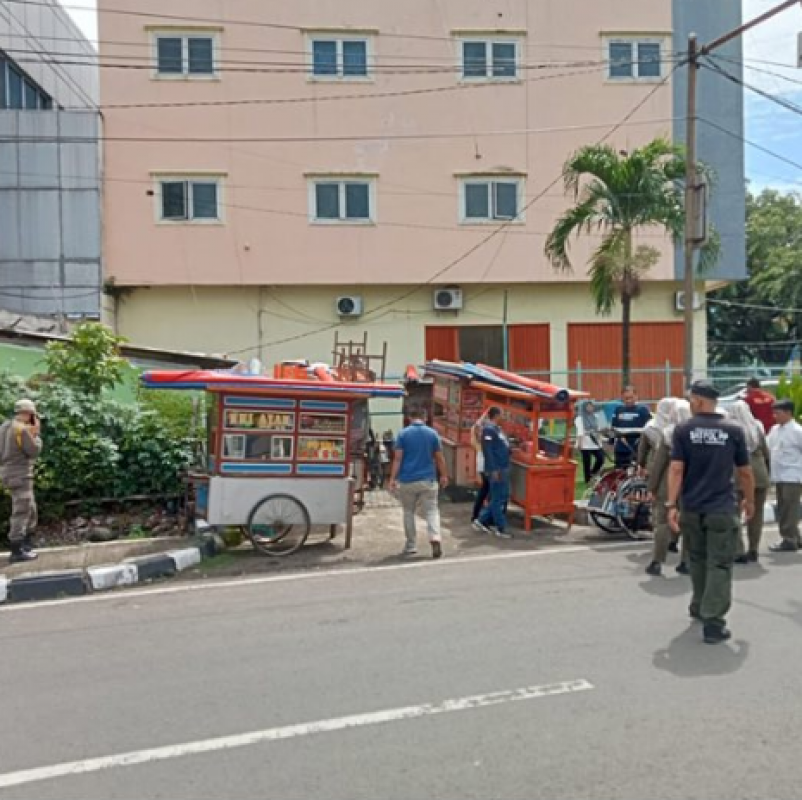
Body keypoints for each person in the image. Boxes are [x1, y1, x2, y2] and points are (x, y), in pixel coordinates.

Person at [667, 380, 754, 645]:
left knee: (698, 559)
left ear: (698, 400)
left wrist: (671, 505)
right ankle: (713, 620)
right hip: (721, 508)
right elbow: (745, 472)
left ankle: (700, 607)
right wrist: (749, 500)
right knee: (719, 563)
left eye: (691, 399)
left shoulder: (684, 430)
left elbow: (676, 469)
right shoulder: (733, 430)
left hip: (692, 508)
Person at [389, 408, 449, 559]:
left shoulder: (403, 434)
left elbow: (397, 459)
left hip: (407, 480)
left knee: (408, 512)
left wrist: (392, 479)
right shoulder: (432, 433)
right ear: (425, 417)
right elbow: (440, 458)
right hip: (428, 479)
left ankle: (411, 545)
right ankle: (435, 537)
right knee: (432, 511)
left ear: (410, 418)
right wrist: (444, 475)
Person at [644, 399, 692, 577]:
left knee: (662, 522)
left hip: (668, 482)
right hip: (690, 483)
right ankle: (686, 561)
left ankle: (657, 561)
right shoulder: (695, 433)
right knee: (687, 521)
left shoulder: (668, 433)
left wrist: (652, 487)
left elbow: (659, 464)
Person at [0, 399, 43, 564]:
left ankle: (25, 544)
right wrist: (36, 434)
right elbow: (33, 451)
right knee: (22, 511)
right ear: (28, 414)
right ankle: (17, 550)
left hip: (7, 473)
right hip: (20, 475)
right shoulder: (22, 430)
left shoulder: (4, 427)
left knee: (30, 508)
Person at [729, 400, 771, 562]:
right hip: (760, 473)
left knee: (734, 513)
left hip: (737, 473)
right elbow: (766, 451)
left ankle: (738, 550)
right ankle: (753, 549)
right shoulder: (757, 426)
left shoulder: (730, 428)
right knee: (756, 513)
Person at [766, 399, 802, 553]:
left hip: (792, 475)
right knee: (783, 508)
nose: (775, 416)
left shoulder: (797, 431)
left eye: (778, 413)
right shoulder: (774, 430)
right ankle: (795, 538)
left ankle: (789, 539)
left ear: (788, 413)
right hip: (779, 475)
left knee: (789, 508)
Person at [475, 407, 513, 539]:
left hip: (503, 466)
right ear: (496, 415)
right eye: (502, 414)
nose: (504, 416)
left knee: (502, 496)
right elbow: (488, 451)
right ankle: (500, 527)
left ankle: (481, 519)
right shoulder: (488, 430)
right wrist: (493, 469)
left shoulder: (498, 429)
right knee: (498, 498)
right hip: (497, 468)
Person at [611, 386, 651, 469]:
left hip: (637, 449)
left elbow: (649, 429)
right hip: (621, 449)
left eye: (631, 398)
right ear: (622, 397)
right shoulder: (618, 410)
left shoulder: (643, 410)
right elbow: (613, 427)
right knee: (620, 472)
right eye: (626, 398)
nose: (628, 400)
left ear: (636, 396)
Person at [575, 400, 605, 485]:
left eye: (591, 406)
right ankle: (587, 480)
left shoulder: (596, 416)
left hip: (595, 442)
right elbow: (580, 431)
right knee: (587, 462)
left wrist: (601, 441)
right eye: (588, 406)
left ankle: (593, 473)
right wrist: (580, 444)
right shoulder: (579, 418)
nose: (590, 408)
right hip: (585, 443)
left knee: (600, 459)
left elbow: (599, 429)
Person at [471, 410, 490, 527]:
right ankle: (481, 517)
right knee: (487, 491)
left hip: (482, 466)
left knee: (484, 490)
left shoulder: (476, 439)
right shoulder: (483, 439)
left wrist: (484, 415)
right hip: (486, 466)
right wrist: (486, 413)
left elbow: (476, 426)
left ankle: (477, 515)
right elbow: (477, 426)